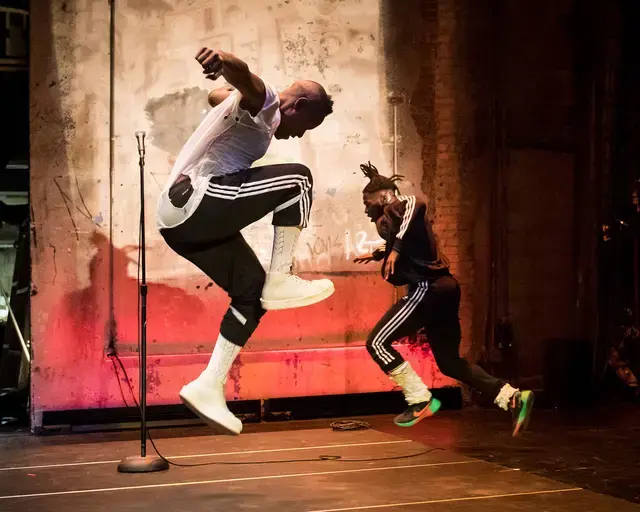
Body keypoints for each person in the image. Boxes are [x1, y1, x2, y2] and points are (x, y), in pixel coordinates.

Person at [156, 48, 335, 435]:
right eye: (307, 124)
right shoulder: (268, 102)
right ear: (299, 105)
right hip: (199, 201)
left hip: (177, 224)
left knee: (251, 294)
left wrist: (227, 88)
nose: (300, 134)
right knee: (298, 179)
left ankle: (208, 385)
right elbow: (245, 77)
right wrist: (224, 61)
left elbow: (216, 96)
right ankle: (283, 276)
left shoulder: (251, 109)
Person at [353, 162, 534, 436]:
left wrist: (394, 251)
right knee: (449, 363)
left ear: (384, 196)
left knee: (377, 343)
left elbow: (417, 202)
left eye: (368, 204)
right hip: (444, 290)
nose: (366, 211)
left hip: (429, 290)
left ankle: (419, 399)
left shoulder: (403, 205)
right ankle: (511, 397)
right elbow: (407, 240)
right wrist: (382, 252)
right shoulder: (398, 222)